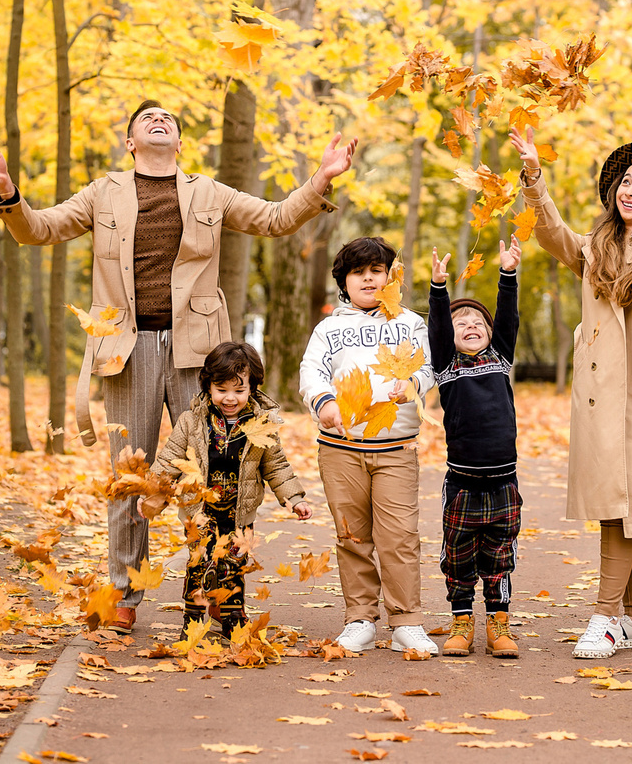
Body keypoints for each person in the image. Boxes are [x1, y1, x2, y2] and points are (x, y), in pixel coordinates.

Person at [0, 100, 355, 629]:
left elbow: (274, 219)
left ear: (180, 142)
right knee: (130, 475)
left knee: (205, 474)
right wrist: (7, 192)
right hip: (125, 349)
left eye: (170, 121)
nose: (160, 122)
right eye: (146, 119)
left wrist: (320, 178)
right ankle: (125, 593)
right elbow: (37, 229)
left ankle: (211, 585)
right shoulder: (102, 192)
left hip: (199, 353)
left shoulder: (208, 192)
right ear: (130, 141)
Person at [513, 134, 632, 660]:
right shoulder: (594, 247)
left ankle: (605, 616)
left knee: (626, 499)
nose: (631, 190)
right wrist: (533, 178)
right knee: (621, 498)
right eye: (625, 182)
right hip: (602, 388)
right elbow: (550, 234)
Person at [299, 236, 438, 655]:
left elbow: (430, 366)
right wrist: (321, 402)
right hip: (340, 447)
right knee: (352, 536)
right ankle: (359, 617)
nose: (368, 279)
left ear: (389, 277)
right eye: (359, 272)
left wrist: (412, 383)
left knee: (399, 536)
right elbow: (312, 371)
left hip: (396, 447)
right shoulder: (328, 328)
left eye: (377, 271)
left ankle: (406, 621)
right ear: (344, 280)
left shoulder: (411, 324)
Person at [144, 341, 310, 642]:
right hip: (200, 512)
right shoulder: (192, 422)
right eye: (221, 389)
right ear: (208, 386)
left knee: (232, 567)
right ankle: (193, 621)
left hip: (238, 514)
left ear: (253, 388)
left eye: (239, 390)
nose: (230, 398)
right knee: (198, 564)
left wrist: (294, 498)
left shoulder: (262, 425)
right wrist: (153, 490)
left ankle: (232, 619)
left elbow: (275, 465)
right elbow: (170, 458)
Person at [427, 237, 524, 659]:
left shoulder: (500, 358)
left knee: (500, 556)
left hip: (504, 484)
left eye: (477, 323)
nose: (470, 326)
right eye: (460, 322)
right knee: (459, 556)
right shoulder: (447, 367)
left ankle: (498, 621)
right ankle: (462, 620)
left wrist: (508, 275)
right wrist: (438, 288)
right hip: (462, 485)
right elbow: (437, 327)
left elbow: (507, 319)